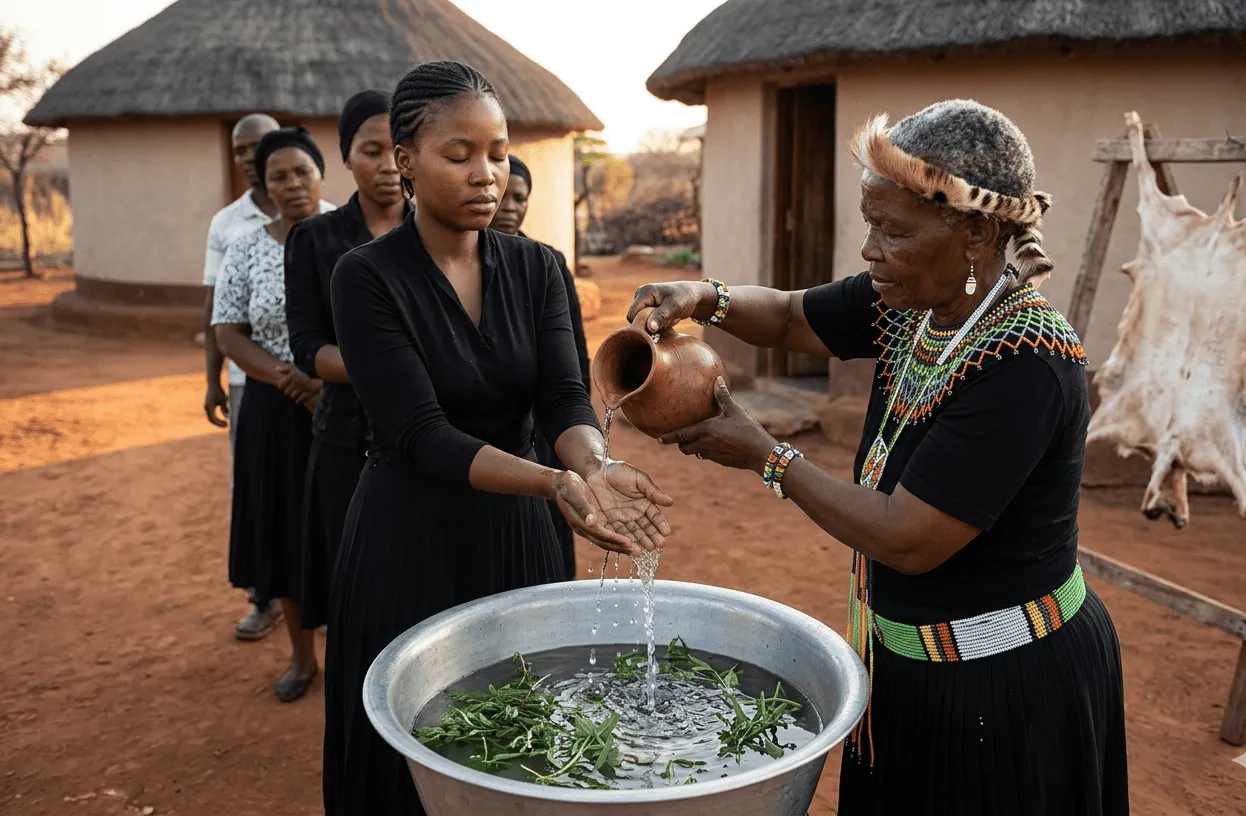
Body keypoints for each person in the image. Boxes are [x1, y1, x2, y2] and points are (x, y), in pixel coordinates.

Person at [637, 100, 1128, 815]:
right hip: (907, 668)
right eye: (871, 225)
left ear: (977, 233)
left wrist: (767, 456)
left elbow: (908, 539)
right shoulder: (912, 306)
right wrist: (703, 297)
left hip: (1004, 689)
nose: (871, 250)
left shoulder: (1028, 362)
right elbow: (788, 315)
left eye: (894, 230)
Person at [323, 61, 673, 814]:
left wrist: (596, 464)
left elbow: (563, 399)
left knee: (523, 740)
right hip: (408, 543)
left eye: (498, 151)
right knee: (411, 758)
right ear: (406, 160)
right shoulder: (366, 278)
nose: (487, 174)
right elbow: (417, 433)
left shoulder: (539, 268)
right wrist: (554, 483)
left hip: (519, 540)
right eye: (460, 155)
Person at [202, 113, 334, 641]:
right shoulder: (244, 245)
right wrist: (289, 379)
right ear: (264, 183)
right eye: (278, 176)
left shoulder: (347, 240)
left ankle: (351, 642)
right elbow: (227, 331)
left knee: (340, 523)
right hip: (273, 407)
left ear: (321, 174)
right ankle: (301, 655)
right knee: (283, 528)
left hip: (340, 403)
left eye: (302, 172)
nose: (292, 184)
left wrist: (324, 384)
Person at [285, 89, 409, 641]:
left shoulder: (439, 234)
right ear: (345, 157)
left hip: (430, 433)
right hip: (346, 436)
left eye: (397, 149)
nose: (386, 166)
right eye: (370, 150)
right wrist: (388, 369)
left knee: (420, 577)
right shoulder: (315, 238)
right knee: (351, 577)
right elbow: (308, 347)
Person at [489, 154, 590, 576]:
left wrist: (583, 433)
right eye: (505, 196)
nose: (511, 206)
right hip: (485, 436)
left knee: (543, 541)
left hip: (543, 429)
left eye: (521, 197)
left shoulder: (546, 264)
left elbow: (574, 354)